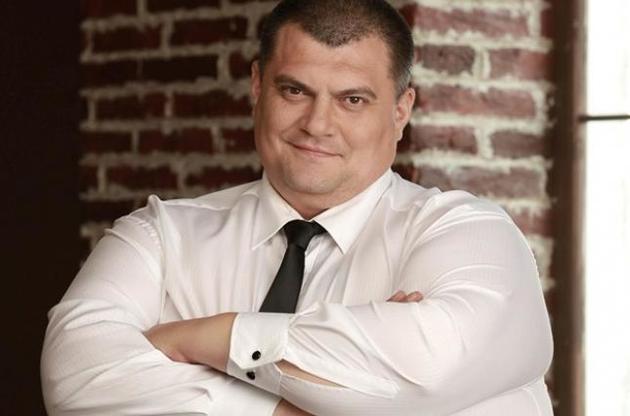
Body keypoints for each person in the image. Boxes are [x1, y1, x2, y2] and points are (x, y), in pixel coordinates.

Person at [41, 0, 554, 415]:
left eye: (352, 99)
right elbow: (74, 376)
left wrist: (203, 338)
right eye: (294, 91)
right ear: (257, 87)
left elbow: (430, 366)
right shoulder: (160, 236)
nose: (317, 124)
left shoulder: (469, 233)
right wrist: (292, 405)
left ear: (401, 111)